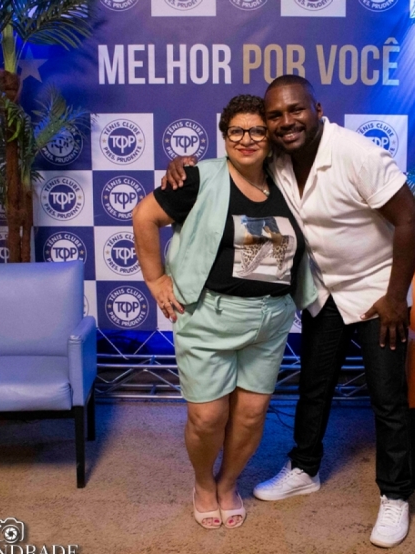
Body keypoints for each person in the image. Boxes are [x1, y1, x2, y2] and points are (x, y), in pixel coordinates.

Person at [163, 76, 415, 547]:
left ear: (318, 109)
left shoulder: (357, 153)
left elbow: (410, 218)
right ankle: (305, 468)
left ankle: (396, 493)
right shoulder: (277, 156)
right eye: (276, 116)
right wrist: (182, 165)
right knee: (313, 388)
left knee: (387, 397)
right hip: (321, 289)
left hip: (375, 292)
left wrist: (395, 296)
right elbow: (232, 162)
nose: (286, 122)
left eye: (296, 110)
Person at [133, 94, 316, 530]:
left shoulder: (288, 179)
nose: (246, 139)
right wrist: (156, 280)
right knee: (207, 417)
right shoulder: (198, 177)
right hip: (209, 318)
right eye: (236, 131)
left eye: (257, 131)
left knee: (251, 415)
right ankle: (203, 484)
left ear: (270, 137)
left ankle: (228, 483)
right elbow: (144, 216)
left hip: (270, 320)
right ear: (224, 136)